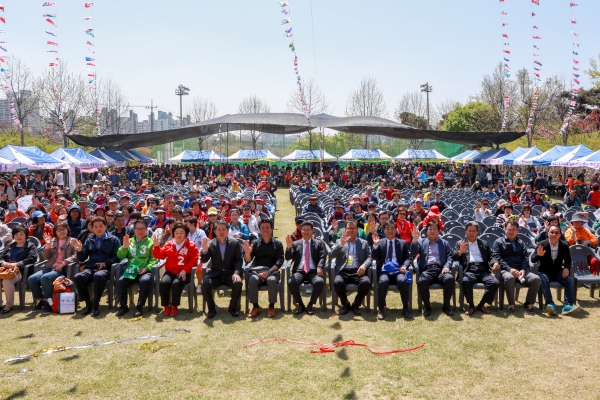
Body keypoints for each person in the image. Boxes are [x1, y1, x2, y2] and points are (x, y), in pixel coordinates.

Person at [72, 217, 121, 317]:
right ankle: (88, 304)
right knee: (78, 277)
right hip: (91, 267)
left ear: (105, 226)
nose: (98, 229)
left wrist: (105, 263)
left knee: (98, 276)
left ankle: (96, 305)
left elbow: (117, 256)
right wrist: (80, 250)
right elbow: (82, 258)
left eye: (101, 226)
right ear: (92, 229)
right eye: (96, 227)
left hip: (106, 268)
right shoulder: (89, 240)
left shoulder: (113, 240)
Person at [28, 222, 78, 314]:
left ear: (68, 230)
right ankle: (41, 301)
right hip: (50, 267)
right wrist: (47, 245)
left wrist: (64, 263)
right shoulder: (53, 240)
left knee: (45, 278)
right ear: (55, 231)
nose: (61, 231)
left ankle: (49, 303)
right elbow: (46, 257)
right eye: (58, 230)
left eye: (63, 229)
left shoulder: (73, 241)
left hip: (63, 269)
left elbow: (76, 255)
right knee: (32, 279)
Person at [492, 220, 541, 313]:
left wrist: (523, 269)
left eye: (514, 229)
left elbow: (525, 258)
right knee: (509, 278)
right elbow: (498, 258)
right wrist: (510, 269)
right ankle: (511, 304)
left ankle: (528, 303)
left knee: (536, 279)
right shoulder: (498, 242)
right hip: (505, 270)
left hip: (520, 270)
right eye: (509, 229)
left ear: (518, 230)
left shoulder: (521, 242)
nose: (511, 232)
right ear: (504, 230)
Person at [152, 222, 199, 317]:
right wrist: (156, 246)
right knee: (164, 283)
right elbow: (160, 256)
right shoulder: (169, 244)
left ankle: (174, 306)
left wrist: (185, 270)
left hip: (185, 272)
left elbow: (194, 260)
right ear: (173, 234)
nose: (179, 235)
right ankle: (166, 306)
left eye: (181, 232)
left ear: (186, 234)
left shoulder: (191, 245)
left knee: (176, 284)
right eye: (176, 232)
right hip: (170, 271)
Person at [200, 220, 244, 318]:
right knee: (205, 285)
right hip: (215, 274)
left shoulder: (234, 243)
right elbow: (204, 259)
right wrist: (204, 250)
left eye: (223, 229)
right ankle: (211, 309)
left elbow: (239, 260)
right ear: (214, 231)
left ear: (228, 230)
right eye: (218, 229)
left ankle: (232, 308)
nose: (221, 232)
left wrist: (236, 273)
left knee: (238, 283)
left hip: (230, 273)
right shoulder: (210, 243)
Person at [532, 226, 580, 316]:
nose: (554, 234)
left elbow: (568, 260)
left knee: (570, 280)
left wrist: (566, 268)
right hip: (544, 271)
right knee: (543, 280)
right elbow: (532, 259)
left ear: (560, 234)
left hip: (558, 271)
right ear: (548, 233)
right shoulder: (541, 244)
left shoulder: (564, 245)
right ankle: (550, 304)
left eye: (556, 233)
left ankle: (567, 305)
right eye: (552, 232)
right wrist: (538, 255)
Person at [454, 221, 500, 316]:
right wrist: (460, 251)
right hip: (469, 269)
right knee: (466, 281)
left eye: (474, 231)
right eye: (469, 231)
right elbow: (453, 257)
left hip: (483, 269)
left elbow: (491, 256)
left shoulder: (483, 243)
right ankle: (471, 306)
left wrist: (494, 263)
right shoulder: (460, 243)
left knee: (495, 283)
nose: (471, 233)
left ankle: (481, 305)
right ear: (465, 232)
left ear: (477, 232)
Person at [411, 222, 455, 317]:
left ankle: (446, 306)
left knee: (450, 279)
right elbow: (413, 253)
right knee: (422, 281)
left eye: (434, 229)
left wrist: (447, 266)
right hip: (427, 270)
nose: (432, 231)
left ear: (438, 231)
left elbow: (450, 257)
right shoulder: (421, 242)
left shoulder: (444, 243)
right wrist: (414, 241)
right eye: (430, 229)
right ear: (426, 231)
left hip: (441, 269)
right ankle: (427, 307)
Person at [115, 220, 158, 317]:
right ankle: (123, 306)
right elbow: (120, 256)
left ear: (146, 230)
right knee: (121, 281)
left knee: (145, 280)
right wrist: (124, 247)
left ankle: (139, 306)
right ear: (134, 230)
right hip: (131, 271)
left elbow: (155, 259)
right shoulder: (129, 241)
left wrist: (147, 268)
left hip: (144, 271)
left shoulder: (151, 242)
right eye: (138, 228)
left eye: (143, 228)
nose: (140, 231)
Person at [243, 219, 284, 318]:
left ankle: (271, 307)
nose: (265, 230)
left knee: (272, 280)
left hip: (272, 271)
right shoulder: (255, 243)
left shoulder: (278, 244)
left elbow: (280, 261)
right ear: (259, 230)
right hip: (257, 271)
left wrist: (269, 272)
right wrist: (247, 253)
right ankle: (255, 307)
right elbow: (248, 261)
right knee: (252, 279)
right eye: (263, 228)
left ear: (272, 228)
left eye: (267, 227)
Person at [330, 221, 372, 316]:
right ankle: (345, 303)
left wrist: (364, 265)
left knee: (366, 282)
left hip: (358, 271)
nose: (351, 230)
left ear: (357, 230)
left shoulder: (364, 243)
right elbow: (332, 255)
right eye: (349, 228)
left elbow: (369, 257)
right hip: (343, 270)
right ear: (345, 230)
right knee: (337, 282)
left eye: (354, 228)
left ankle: (356, 304)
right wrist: (341, 244)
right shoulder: (339, 241)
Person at [371, 221, 412, 320]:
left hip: (398, 270)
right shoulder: (380, 242)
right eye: (387, 228)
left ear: (396, 229)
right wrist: (375, 246)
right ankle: (381, 309)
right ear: (384, 230)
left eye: (392, 228)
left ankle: (405, 308)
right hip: (385, 271)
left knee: (402, 280)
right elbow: (374, 258)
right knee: (383, 281)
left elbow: (408, 258)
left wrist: (404, 266)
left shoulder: (402, 243)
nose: (390, 230)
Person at [285, 222, 327, 316]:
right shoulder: (296, 244)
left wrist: (319, 266)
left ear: (312, 231)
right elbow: (288, 258)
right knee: (291, 282)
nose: (306, 232)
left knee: (320, 282)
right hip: (300, 271)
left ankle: (311, 304)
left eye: (308, 230)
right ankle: (300, 304)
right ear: (301, 231)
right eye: (304, 230)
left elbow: (323, 257)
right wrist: (288, 248)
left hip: (313, 271)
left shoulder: (318, 243)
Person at [0, 225, 38, 314]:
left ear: (26, 235)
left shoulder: (30, 246)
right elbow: (0, 257)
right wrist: (4, 263)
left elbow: (32, 258)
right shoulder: (10, 245)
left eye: (21, 234)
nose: (19, 236)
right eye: (16, 234)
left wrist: (16, 264)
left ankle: (9, 305)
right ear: (13, 236)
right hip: (6, 269)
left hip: (20, 271)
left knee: (7, 281)